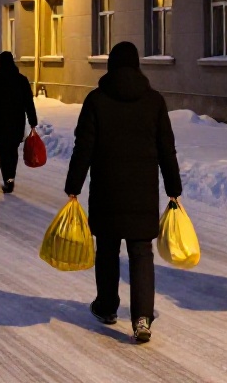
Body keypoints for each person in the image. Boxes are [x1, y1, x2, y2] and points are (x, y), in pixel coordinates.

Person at [65, 41, 182, 344]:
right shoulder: (154, 101)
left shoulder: (96, 100)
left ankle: (106, 307)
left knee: (107, 249)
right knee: (141, 253)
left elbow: (84, 147)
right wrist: (173, 188)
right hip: (142, 193)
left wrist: (73, 186)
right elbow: (166, 149)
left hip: (106, 190)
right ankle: (142, 317)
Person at [0, 51, 37, 194]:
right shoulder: (21, 80)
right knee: (13, 150)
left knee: (3, 151)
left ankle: (7, 178)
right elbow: (28, 103)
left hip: (0, 122)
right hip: (17, 121)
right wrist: (32, 120)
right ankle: (11, 176)